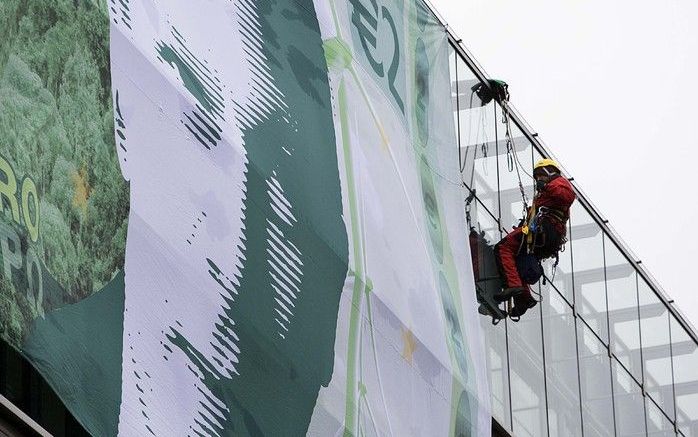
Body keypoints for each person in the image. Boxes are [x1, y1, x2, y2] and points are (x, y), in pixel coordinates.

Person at [493, 158, 576, 317]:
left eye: (540, 175)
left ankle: (514, 286)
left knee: (504, 247)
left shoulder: (559, 183)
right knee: (518, 258)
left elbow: (567, 196)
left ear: (549, 171)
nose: (538, 179)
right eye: (537, 176)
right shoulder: (546, 193)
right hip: (546, 234)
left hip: (546, 230)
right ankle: (524, 298)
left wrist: (547, 187)